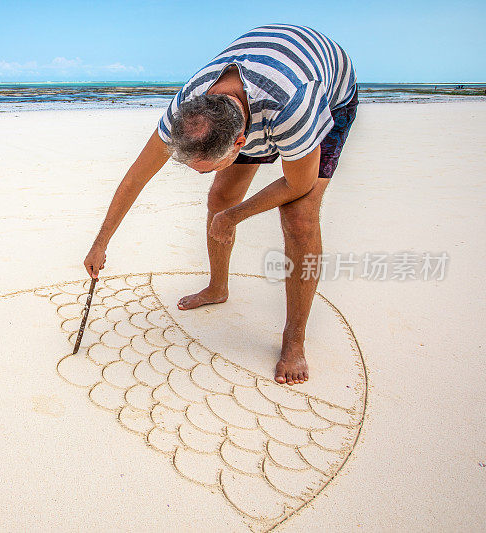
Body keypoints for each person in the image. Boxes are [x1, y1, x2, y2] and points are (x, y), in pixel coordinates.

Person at [83, 23, 358, 386]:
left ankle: (294, 339)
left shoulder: (293, 107)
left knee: (299, 217)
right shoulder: (187, 109)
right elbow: (136, 177)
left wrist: (235, 217)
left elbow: (299, 182)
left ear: (242, 143)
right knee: (220, 196)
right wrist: (101, 242)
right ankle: (218, 288)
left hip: (327, 92)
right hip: (254, 98)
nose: (199, 175)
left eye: (206, 167)